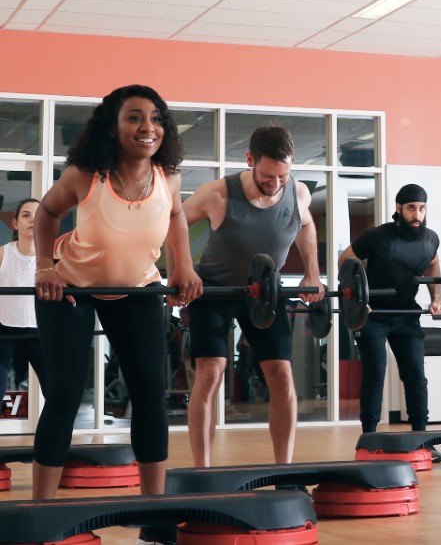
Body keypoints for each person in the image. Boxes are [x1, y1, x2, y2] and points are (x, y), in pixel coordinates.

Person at [30, 85, 203, 510]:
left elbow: (177, 216)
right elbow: (47, 213)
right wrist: (44, 267)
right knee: (66, 394)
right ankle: (39, 513)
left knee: (149, 394)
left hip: (137, 289)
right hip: (71, 290)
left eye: (156, 118)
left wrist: (183, 264)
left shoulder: (169, 178)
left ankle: (153, 514)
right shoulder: (85, 175)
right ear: (112, 126)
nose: (148, 127)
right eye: (135, 117)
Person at [182, 125, 324, 467]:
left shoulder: (298, 192)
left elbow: (305, 225)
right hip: (213, 290)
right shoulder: (217, 193)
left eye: (283, 176)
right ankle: (202, 471)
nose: (275, 184)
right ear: (249, 160)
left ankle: (283, 470)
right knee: (211, 373)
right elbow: (174, 224)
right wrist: (182, 270)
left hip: (265, 291)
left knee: (282, 375)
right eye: (267, 176)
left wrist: (312, 271)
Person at [340, 183, 441, 434]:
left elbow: (433, 264)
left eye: (421, 208)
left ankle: (421, 438)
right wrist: (358, 300)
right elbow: (346, 261)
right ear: (398, 208)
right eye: (411, 208)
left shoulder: (431, 239)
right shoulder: (376, 236)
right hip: (372, 315)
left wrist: (437, 297)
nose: (417, 215)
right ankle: (369, 436)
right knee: (375, 375)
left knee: (415, 376)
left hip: (407, 314)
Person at [0, 199, 45, 403]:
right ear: (16, 223)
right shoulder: (3, 253)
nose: (32, 220)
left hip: (39, 331)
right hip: (4, 330)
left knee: (54, 391)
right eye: (26, 215)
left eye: (37, 216)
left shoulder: (52, 258)